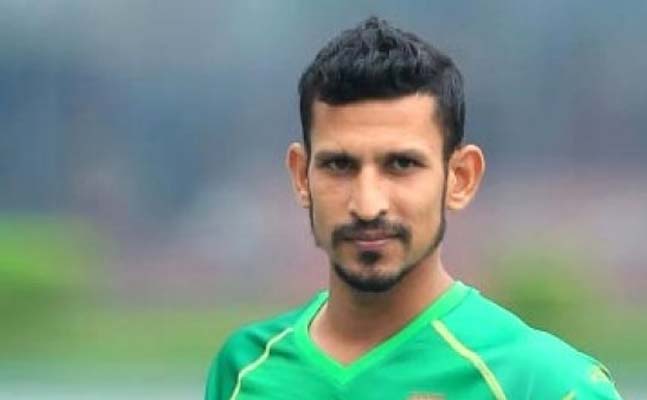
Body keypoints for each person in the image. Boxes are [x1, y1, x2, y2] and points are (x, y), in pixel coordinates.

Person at [205, 16, 622, 400]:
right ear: (301, 176)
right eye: (339, 165)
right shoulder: (245, 369)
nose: (368, 205)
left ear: (460, 178)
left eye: (401, 165)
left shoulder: (546, 384)